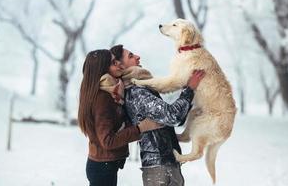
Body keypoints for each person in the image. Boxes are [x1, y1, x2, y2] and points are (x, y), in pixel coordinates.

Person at [110, 45, 205, 186]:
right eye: (130, 56)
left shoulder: (140, 89)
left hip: (163, 166)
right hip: (160, 168)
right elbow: (173, 116)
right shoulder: (137, 93)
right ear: (121, 66)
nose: (137, 56)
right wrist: (189, 89)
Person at [77, 49, 162, 186]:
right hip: (102, 169)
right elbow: (108, 141)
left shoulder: (108, 92)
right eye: (113, 62)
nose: (119, 65)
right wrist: (141, 128)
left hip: (103, 165)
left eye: (117, 60)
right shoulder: (102, 98)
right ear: (102, 69)